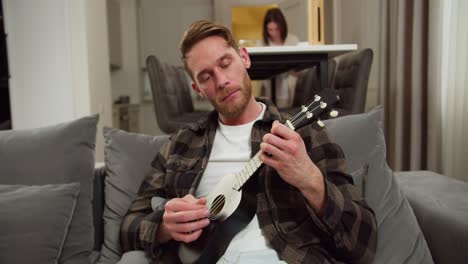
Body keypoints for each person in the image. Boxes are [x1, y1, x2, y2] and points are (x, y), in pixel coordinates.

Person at [120, 20, 377, 264]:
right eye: (206, 76)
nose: (221, 81)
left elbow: (362, 242)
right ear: (198, 89)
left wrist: (310, 178)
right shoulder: (180, 145)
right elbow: (127, 229)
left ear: (244, 58)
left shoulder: (303, 133)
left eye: (225, 63)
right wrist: (164, 228)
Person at [261, 7, 300, 109]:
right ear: (266, 29)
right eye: (270, 29)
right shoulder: (261, 44)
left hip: (289, 87)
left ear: (282, 27)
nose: (273, 33)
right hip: (270, 88)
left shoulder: (293, 41)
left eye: (276, 29)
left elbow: (299, 68)